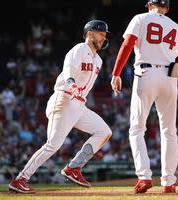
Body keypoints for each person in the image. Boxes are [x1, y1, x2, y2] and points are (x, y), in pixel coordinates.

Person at [8, 20, 112, 194]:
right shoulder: (79, 49)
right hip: (64, 98)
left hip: (79, 105)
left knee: (104, 131)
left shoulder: (99, 60)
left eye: (104, 35)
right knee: (53, 145)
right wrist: (71, 86)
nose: (103, 37)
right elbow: (68, 71)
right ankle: (20, 179)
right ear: (89, 33)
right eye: (101, 34)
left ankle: (74, 167)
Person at [111, 0, 178, 194]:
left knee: (137, 129)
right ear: (167, 7)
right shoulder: (176, 27)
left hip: (146, 73)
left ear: (149, 5)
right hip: (169, 77)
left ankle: (144, 177)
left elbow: (128, 44)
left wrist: (116, 72)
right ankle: (169, 182)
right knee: (169, 132)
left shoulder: (140, 18)